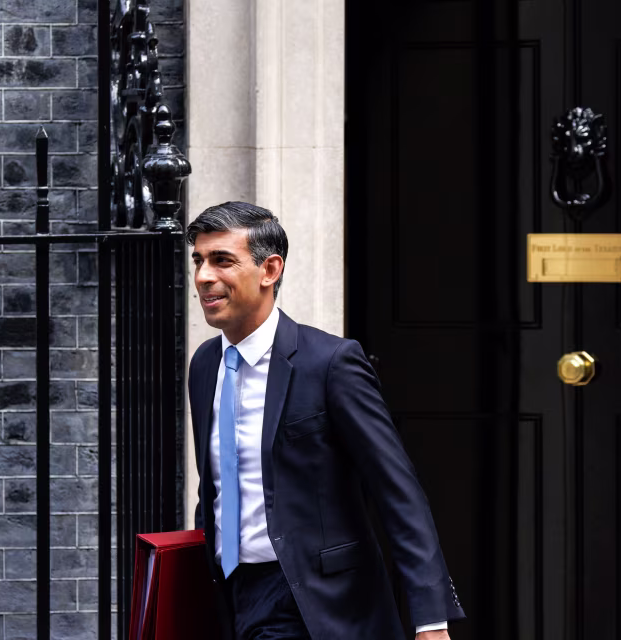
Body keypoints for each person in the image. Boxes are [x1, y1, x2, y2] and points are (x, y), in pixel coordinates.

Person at [187, 201, 464, 640]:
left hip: (312, 603)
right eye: (198, 260)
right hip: (228, 599)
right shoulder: (205, 365)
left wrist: (431, 620)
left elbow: (397, 491)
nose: (204, 276)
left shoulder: (331, 363)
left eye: (222, 260)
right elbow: (216, 489)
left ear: (270, 270)